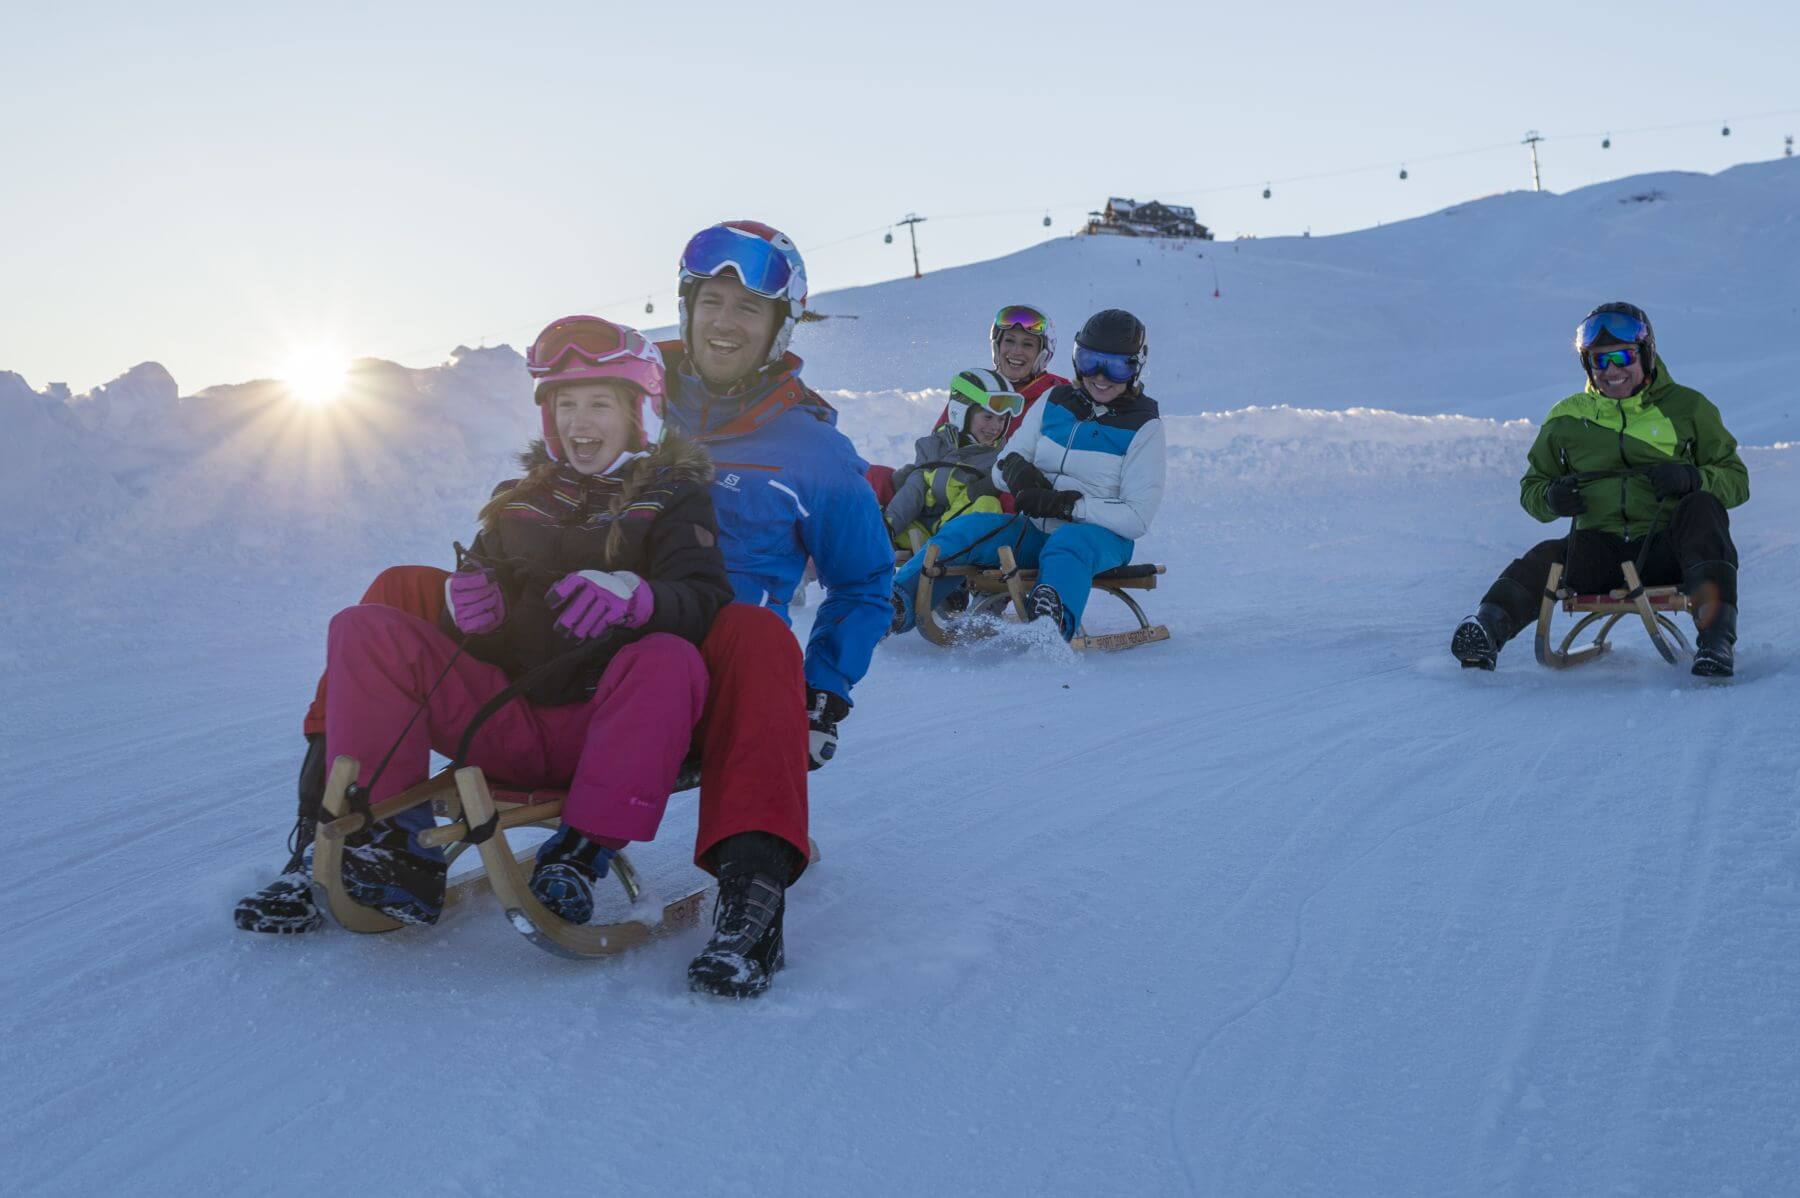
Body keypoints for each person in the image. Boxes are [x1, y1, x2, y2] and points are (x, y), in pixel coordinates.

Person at [237, 222, 892, 1000]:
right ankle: (337, 831)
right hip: (568, 645)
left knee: (752, 635)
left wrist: (823, 696)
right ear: (684, 308)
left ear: (781, 325)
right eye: (711, 301)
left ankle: (752, 895)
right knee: (399, 590)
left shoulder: (814, 454)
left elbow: (864, 583)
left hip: (704, 664)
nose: (725, 322)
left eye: (749, 308)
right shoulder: (629, 385)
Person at [265, 316, 731, 929]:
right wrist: (463, 612)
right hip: (505, 721)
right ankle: (391, 845)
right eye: (566, 403)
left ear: (639, 413)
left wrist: (638, 598)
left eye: (599, 403)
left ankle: (578, 854)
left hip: (602, 729)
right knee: (362, 626)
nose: (580, 420)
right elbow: (476, 610)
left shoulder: (676, 498)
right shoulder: (518, 500)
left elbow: (705, 599)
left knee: (669, 658)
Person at [1451, 302, 1748, 677]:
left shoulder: (1688, 408)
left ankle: (1716, 641)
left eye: (1623, 357)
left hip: (1667, 548)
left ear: (1646, 354)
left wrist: (1692, 479)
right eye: (1599, 360)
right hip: (1598, 550)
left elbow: (1736, 480)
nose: (1611, 371)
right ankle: (1485, 629)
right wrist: (1551, 497)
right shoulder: (1567, 417)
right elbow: (1532, 487)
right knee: (1549, 557)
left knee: (1703, 509)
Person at [890, 309, 1166, 641]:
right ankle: (895, 603)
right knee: (969, 528)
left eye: (1116, 366)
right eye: (1090, 361)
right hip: (1036, 529)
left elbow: (1136, 518)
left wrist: (1069, 507)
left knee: (1068, 542)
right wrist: (1020, 476)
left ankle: (1050, 621)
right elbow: (1004, 462)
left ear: (1136, 367)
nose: (1100, 376)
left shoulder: (1143, 427)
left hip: (1099, 539)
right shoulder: (1055, 401)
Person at [866, 305, 1068, 505]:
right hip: (950, 483)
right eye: (1009, 341)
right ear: (996, 345)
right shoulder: (976, 387)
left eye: (1028, 344)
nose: (1016, 351)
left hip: (1000, 499)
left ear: (1043, 353)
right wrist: (917, 477)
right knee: (872, 478)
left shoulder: (1057, 398)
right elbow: (941, 442)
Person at [882, 369, 1021, 549]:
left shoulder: (999, 458)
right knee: (892, 483)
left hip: (958, 539)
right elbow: (914, 491)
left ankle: (942, 549)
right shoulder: (933, 446)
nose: (996, 427)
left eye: (1002, 420)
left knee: (988, 503)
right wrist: (889, 527)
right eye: (988, 417)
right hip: (921, 531)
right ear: (961, 412)